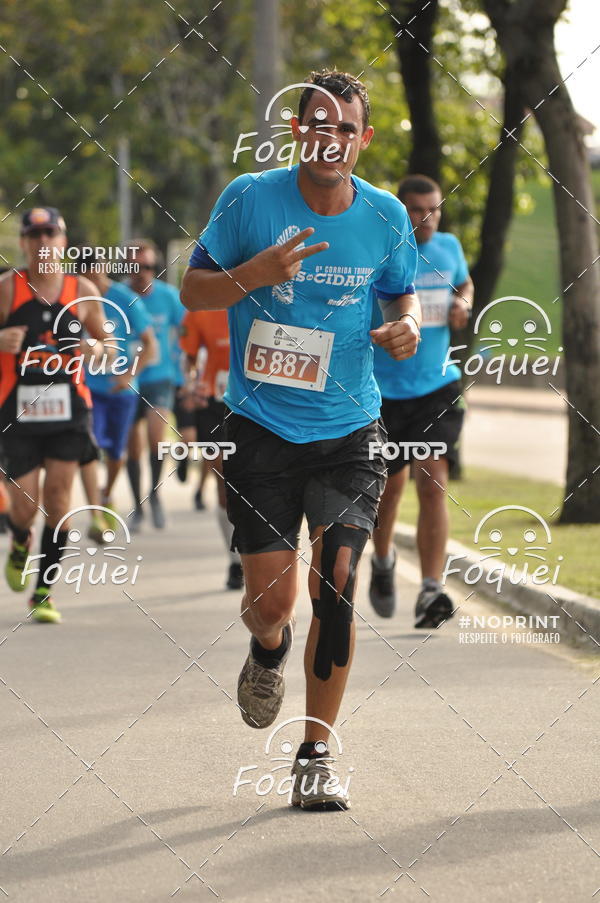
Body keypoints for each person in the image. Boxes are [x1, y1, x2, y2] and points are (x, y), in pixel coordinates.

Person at [181, 70, 420, 810]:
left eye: (346, 127)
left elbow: (400, 289)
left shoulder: (384, 216)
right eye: (319, 123)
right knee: (272, 602)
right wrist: (253, 274)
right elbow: (194, 290)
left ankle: (315, 751)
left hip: (350, 428)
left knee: (337, 585)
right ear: (297, 129)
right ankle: (267, 648)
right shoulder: (250, 199)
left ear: (364, 139)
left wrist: (405, 324)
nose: (331, 138)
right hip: (261, 428)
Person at [369, 174, 473, 627]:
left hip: (436, 385)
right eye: (416, 210)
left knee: (432, 481)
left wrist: (463, 304)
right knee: (388, 491)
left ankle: (432, 590)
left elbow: (464, 284)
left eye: (434, 210)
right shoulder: (381, 249)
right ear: (400, 210)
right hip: (382, 390)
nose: (427, 220)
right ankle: (383, 560)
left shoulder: (449, 246)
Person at [0, 207, 110, 623]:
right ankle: (18, 539)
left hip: (69, 408)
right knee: (24, 505)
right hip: (19, 410)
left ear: (63, 241)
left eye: (51, 234)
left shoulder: (81, 289)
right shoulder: (8, 289)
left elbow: (108, 345)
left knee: (60, 500)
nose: (43, 242)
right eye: (35, 235)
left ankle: (42, 593)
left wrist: (95, 350)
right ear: (25, 243)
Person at [82, 255, 156, 539]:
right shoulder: (74, 298)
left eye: (98, 278)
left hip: (122, 390)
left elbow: (150, 344)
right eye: (88, 281)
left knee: (116, 453)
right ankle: (96, 512)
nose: (94, 286)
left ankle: (106, 492)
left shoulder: (124, 298)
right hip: (89, 389)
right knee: (90, 445)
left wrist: (129, 375)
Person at [179, 307, 243, 589]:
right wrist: (191, 382)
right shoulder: (202, 304)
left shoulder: (266, 289)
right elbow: (189, 356)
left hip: (259, 403)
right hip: (215, 403)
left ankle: (261, 551)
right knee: (224, 484)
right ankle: (236, 560)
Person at [124, 240, 185, 531]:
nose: (142, 273)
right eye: (135, 267)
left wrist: (185, 372)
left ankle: (156, 495)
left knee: (156, 439)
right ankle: (137, 504)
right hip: (126, 380)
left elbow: (186, 333)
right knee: (132, 447)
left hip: (160, 378)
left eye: (148, 267)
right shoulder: (117, 296)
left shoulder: (169, 297)